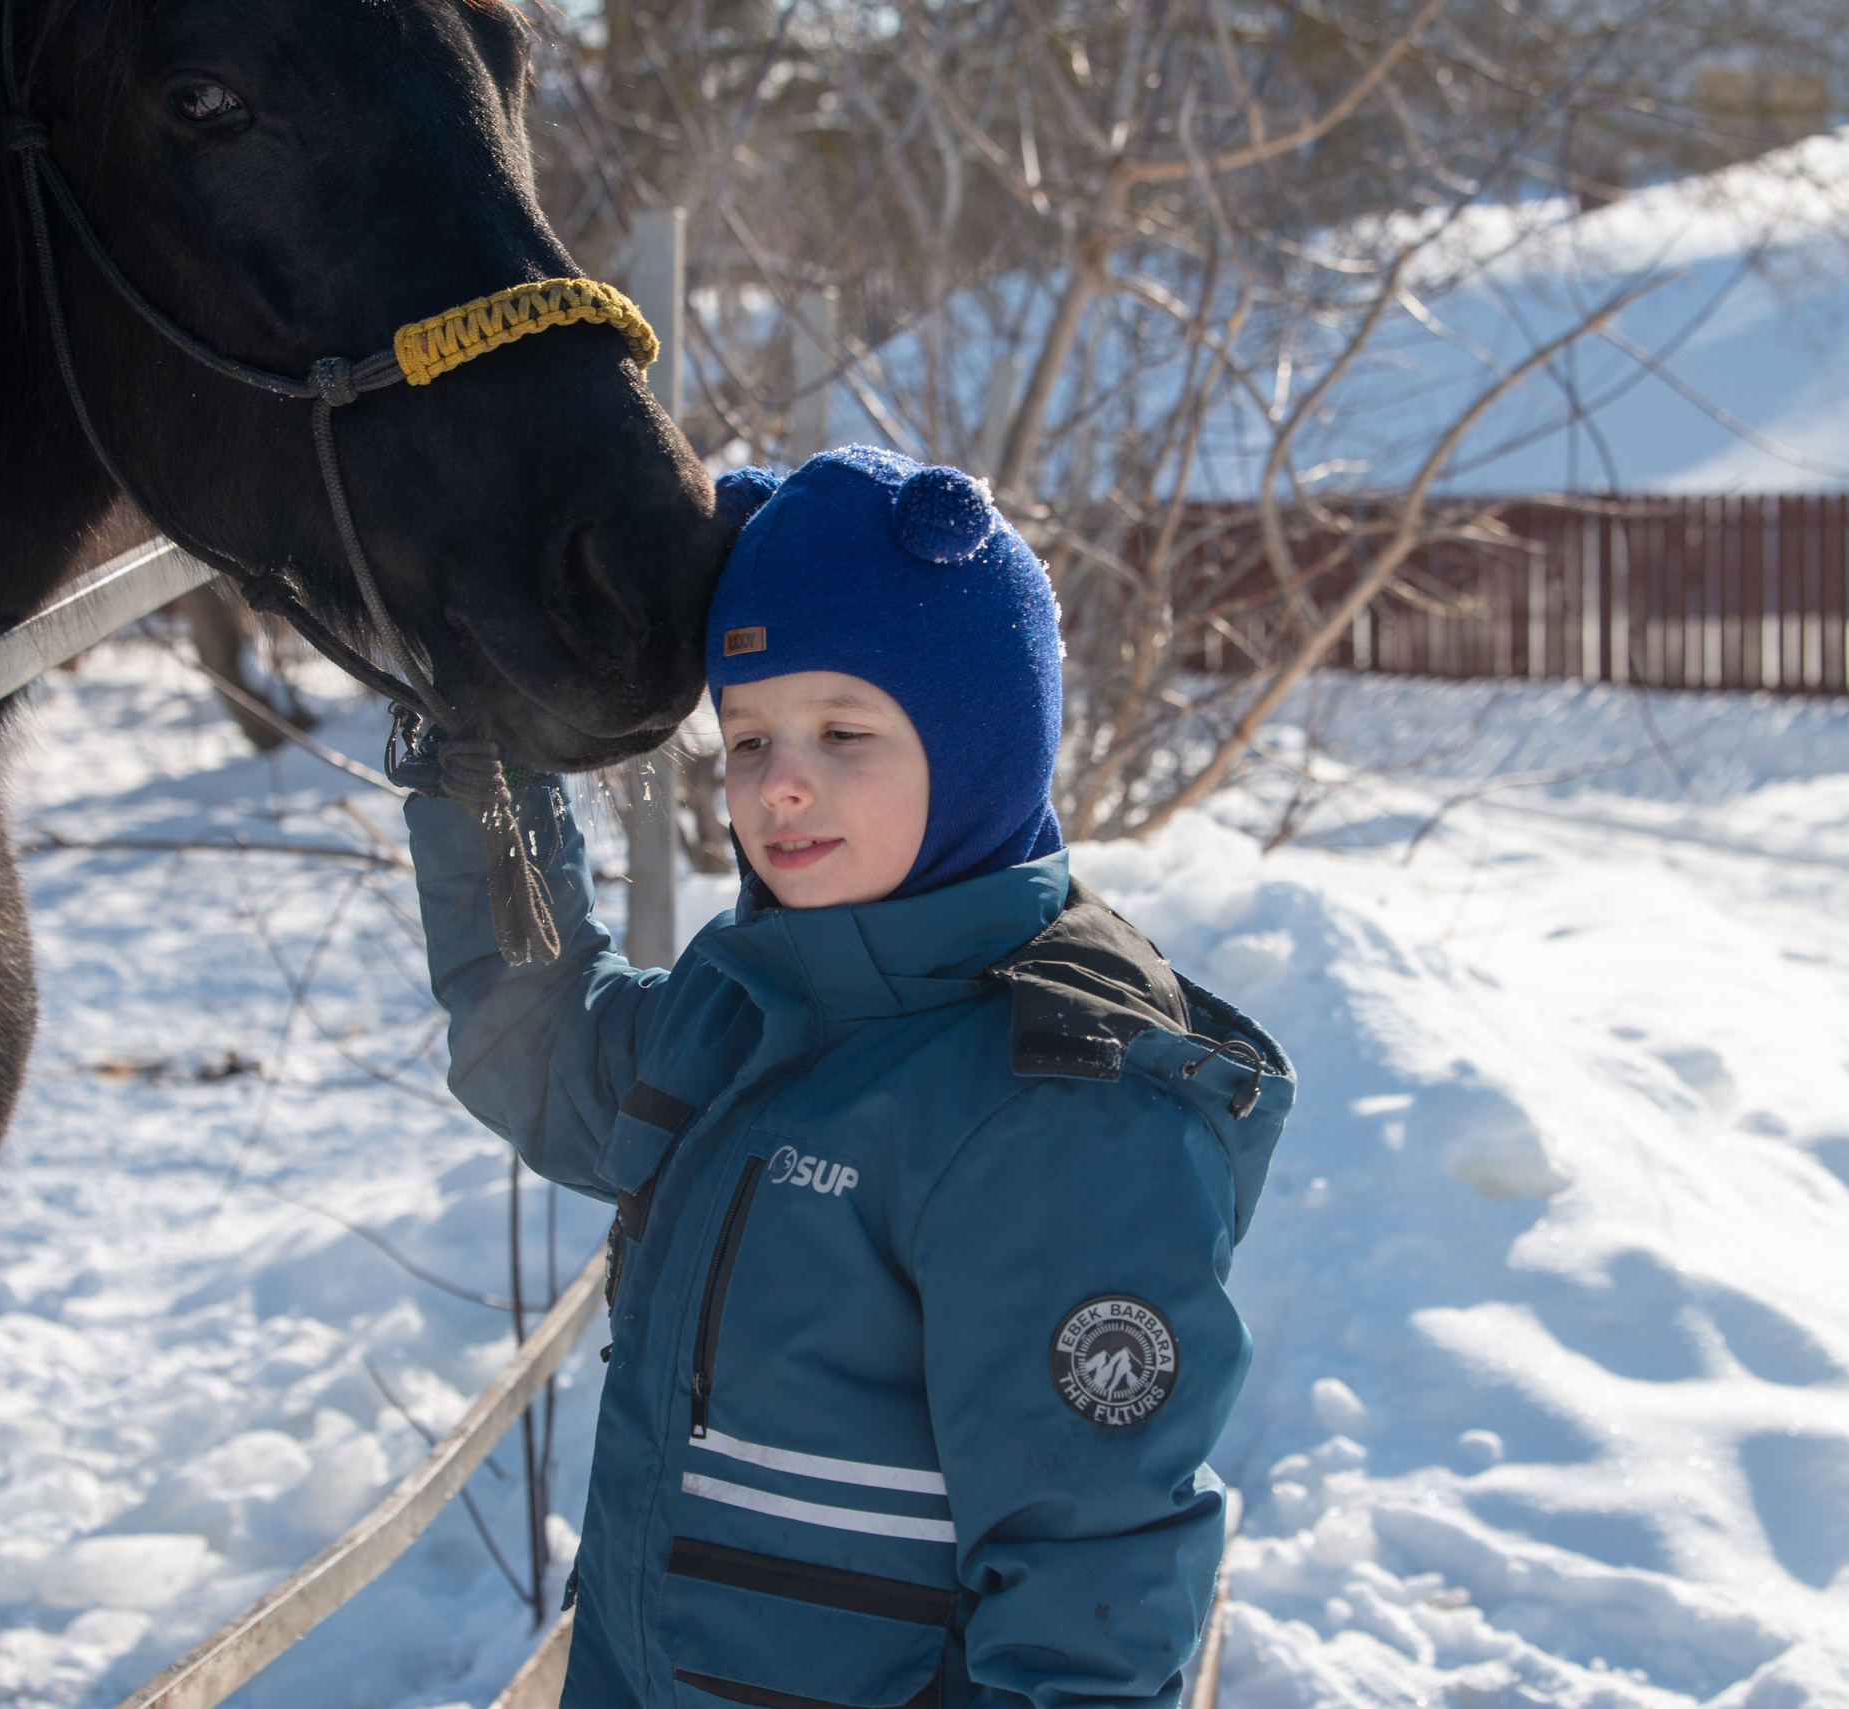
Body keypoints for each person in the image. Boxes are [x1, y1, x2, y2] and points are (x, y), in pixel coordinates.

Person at [399, 446, 1292, 1709]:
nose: (780, 781)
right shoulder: (753, 1000)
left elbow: (1091, 1590)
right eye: (748, 733)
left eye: (844, 729)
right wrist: (481, 759)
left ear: (980, 744)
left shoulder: (1058, 1112)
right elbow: (536, 1045)